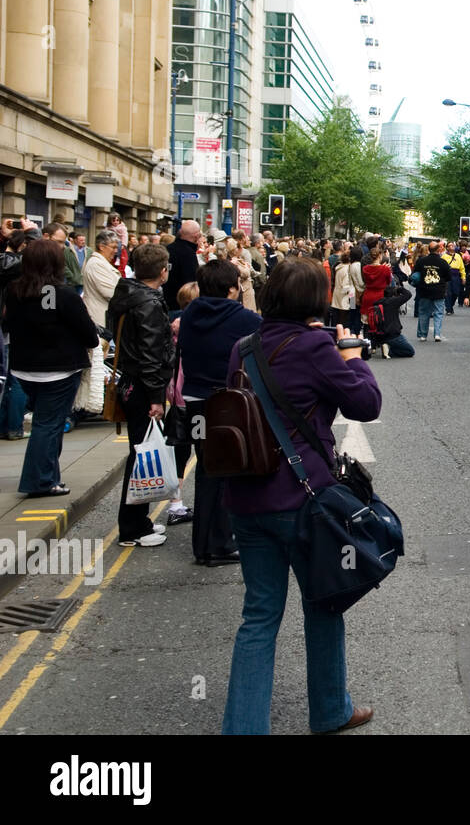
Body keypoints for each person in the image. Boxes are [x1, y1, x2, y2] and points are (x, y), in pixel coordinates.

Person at [221, 258, 380, 735]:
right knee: (324, 602)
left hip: (248, 498)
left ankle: (243, 729)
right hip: (304, 500)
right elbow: (365, 405)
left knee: (259, 615)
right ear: (314, 302)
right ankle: (330, 710)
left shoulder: (243, 347)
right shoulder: (315, 345)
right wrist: (352, 359)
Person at [178, 260, 262, 564]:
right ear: (232, 288)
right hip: (226, 402)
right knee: (227, 469)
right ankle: (219, 544)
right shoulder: (243, 319)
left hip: (195, 402)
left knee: (206, 468)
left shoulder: (190, 314)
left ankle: (204, 543)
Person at [2, 240, 98, 497]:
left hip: (24, 370)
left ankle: (49, 475)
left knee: (47, 424)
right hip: (59, 371)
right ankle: (40, 481)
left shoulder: (14, 291)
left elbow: (10, 323)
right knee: (47, 425)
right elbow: (90, 336)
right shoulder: (64, 295)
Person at [105, 243, 174, 546]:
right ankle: (132, 529)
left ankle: (140, 520)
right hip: (143, 387)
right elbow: (150, 354)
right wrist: (157, 397)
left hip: (132, 382)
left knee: (141, 454)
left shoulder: (128, 294)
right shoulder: (147, 303)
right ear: (162, 271)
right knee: (142, 457)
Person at [82, 229, 122, 332]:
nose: (116, 251)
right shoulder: (96, 264)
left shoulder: (101, 263)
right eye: (113, 247)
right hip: (100, 319)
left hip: (104, 317)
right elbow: (112, 293)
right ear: (101, 247)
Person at [412, 241, 451, 343]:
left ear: (428, 249)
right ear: (439, 250)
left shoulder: (421, 261)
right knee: (438, 313)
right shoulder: (443, 262)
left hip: (424, 290)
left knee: (424, 313)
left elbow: (415, 274)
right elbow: (448, 277)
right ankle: (437, 334)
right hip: (439, 290)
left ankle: (423, 335)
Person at [368, 281, 415, 358]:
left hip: (380, 335)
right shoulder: (393, 302)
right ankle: (389, 351)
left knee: (400, 343)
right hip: (393, 334)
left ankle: (385, 345)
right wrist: (399, 289)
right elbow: (408, 294)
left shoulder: (377, 303)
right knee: (410, 351)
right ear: (393, 294)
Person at [162, 220, 201, 312]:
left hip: (165, 303)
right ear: (196, 236)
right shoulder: (189, 254)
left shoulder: (168, 249)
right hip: (181, 305)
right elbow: (191, 282)